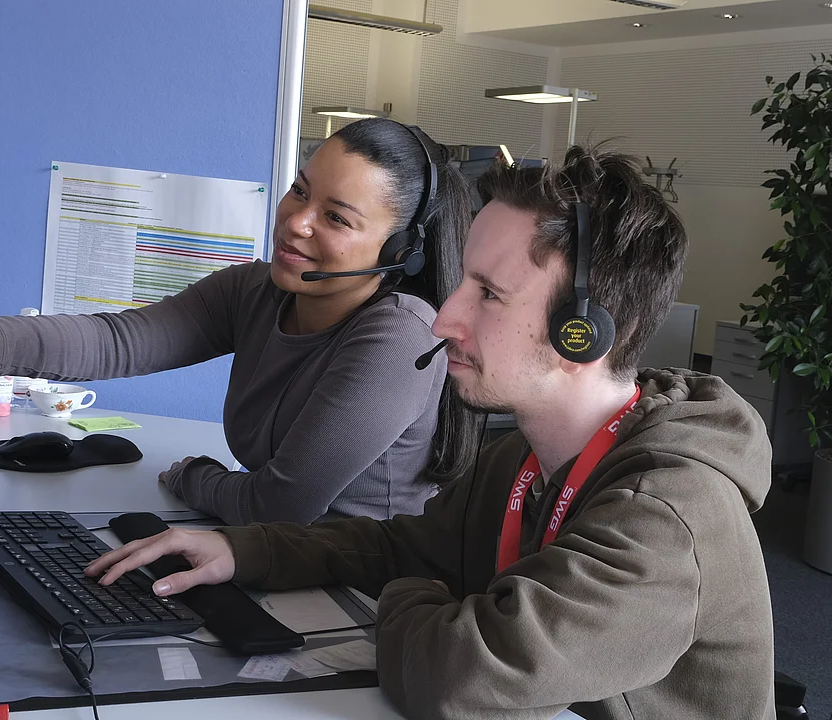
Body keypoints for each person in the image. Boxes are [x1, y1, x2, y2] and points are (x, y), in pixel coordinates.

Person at [85, 146, 776, 719]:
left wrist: (422, 600)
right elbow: (399, 544)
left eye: (489, 294)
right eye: (461, 284)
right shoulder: (523, 461)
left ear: (586, 332)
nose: (445, 319)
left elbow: (458, 675)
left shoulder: (666, 515)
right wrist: (242, 550)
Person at [0, 118, 480, 525]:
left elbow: (278, 504)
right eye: (298, 192)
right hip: (269, 554)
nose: (297, 222)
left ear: (402, 251)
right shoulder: (253, 291)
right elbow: (121, 341)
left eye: (336, 217)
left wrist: (195, 478)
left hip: (359, 591)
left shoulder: (400, 332)